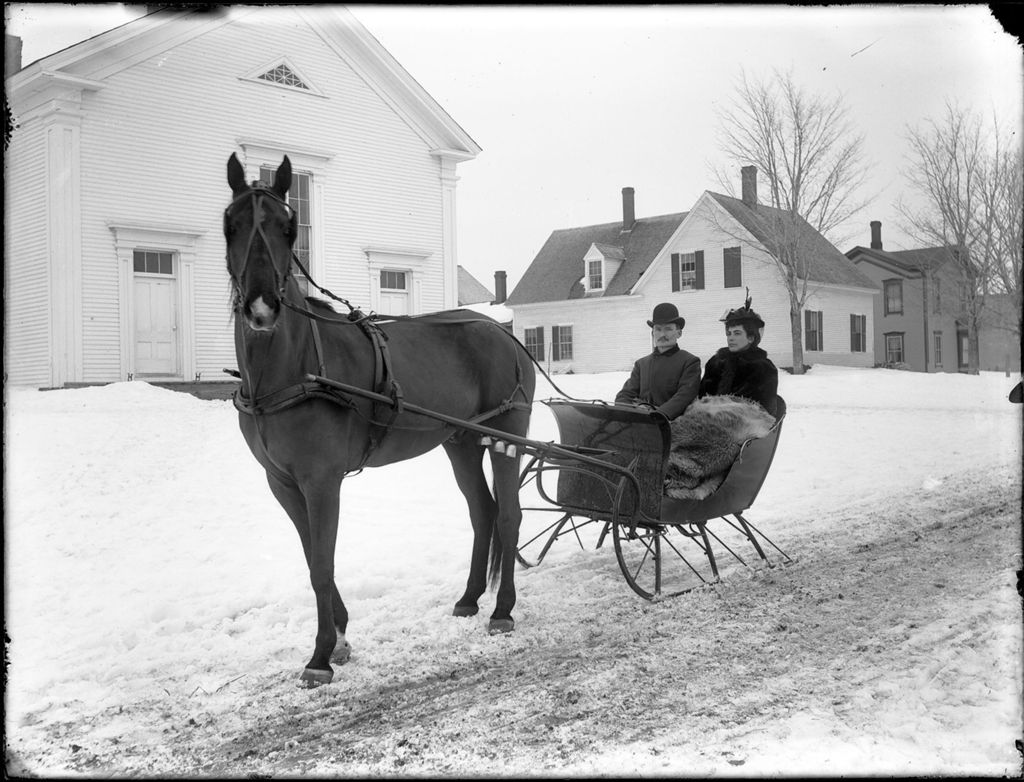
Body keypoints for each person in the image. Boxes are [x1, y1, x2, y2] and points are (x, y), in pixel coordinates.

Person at [698, 292, 779, 418]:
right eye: (729, 333)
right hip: (707, 421)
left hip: (744, 427)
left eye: (737, 333)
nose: (731, 338)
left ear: (751, 338)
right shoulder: (716, 362)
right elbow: (701, 397)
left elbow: (762, 410)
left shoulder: (762, 368)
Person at [615, 302, 701, 420]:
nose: (662, 334)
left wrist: (658, 416)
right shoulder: (641, 364)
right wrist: (631, 412)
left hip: (671, 424)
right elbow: (625, 395)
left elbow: (684, 396)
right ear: (652, 333)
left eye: (668, 329)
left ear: (679, 333)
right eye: (658, 329)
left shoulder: (689, 362)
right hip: (639, 422)